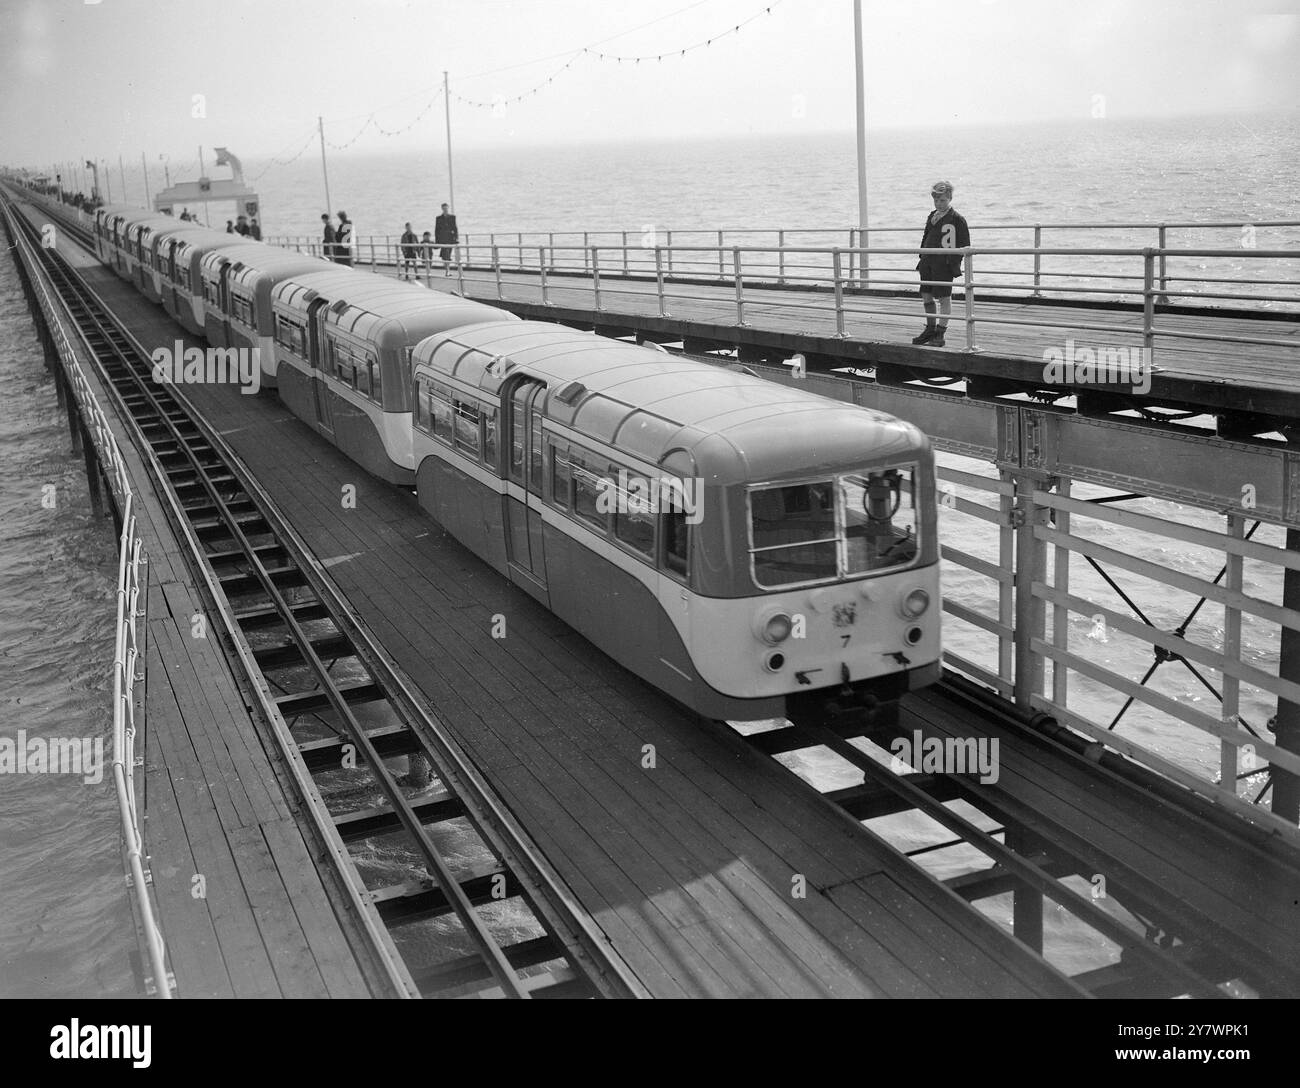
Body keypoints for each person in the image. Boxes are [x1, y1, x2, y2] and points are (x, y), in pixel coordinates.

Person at [913, 180, 970, 347]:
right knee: (926, 295)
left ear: (950, 198)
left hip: (944, 264)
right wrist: (921, 256)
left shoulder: (957, 219)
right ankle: (930, 328)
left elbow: (964, 244)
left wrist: (953, 264)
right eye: (936, 200)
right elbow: (926, 237)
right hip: (928, 262)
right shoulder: (932, 216)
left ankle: (940, 333)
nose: (939, 203)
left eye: (943, 200)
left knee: (944, 297)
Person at [434, 202, 458, 276]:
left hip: (450, 239)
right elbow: (436, 230)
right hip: (442, 239)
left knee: (448, 255)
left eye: (446, 208)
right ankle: (447, 270)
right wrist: (437, 240)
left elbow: (455, 228)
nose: (445, 210)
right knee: (445, 255)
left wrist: (456, 238)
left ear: (448, 208)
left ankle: (447, 270)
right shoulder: (438, 218)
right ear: (442, 209)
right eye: (444, 208)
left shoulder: (452, 217)